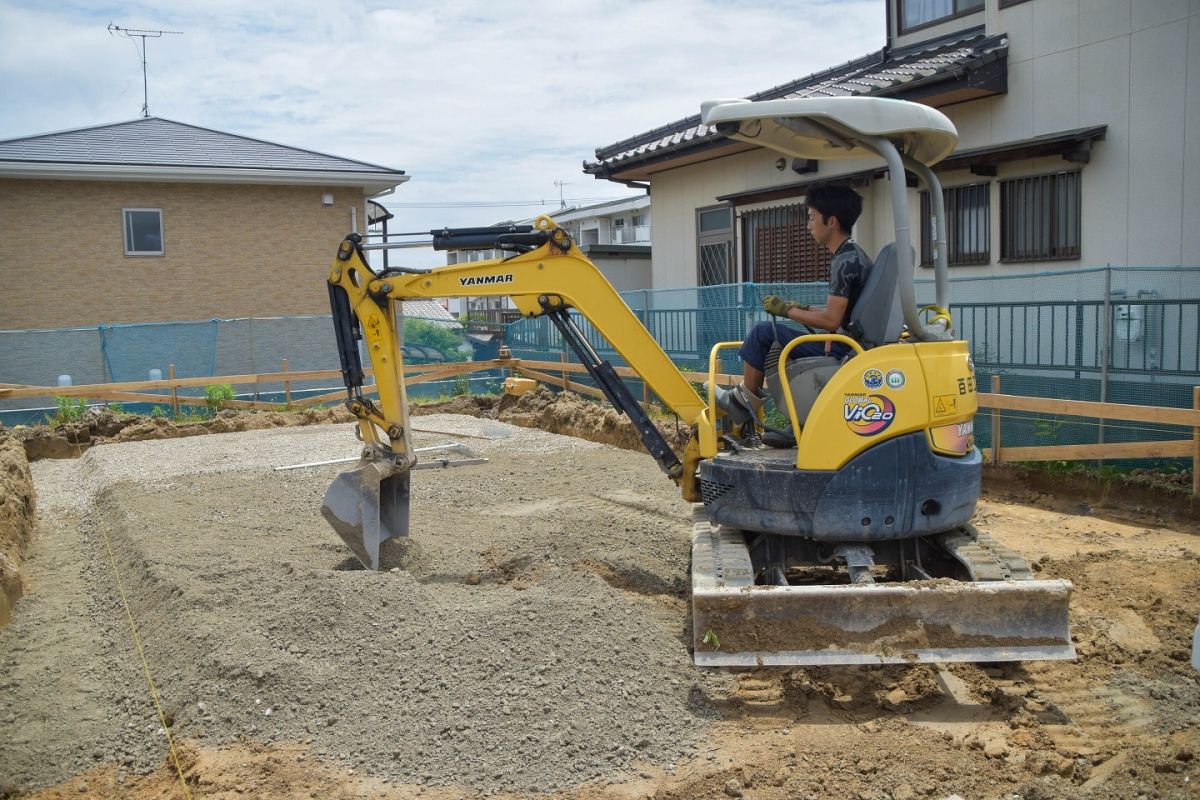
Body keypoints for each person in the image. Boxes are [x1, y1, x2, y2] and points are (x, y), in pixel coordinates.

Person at [716, 184, 873, 434]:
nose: (808, 225)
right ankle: (796, 418)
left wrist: (786, 311)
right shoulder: (855, 254)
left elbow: (832, 320)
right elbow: (839, 311)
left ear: (831, 221)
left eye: (812, 218)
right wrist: (804, 307)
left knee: (761, 333)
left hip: (842, 346)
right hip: (848, 340)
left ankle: (741, 403)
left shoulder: (844, 262)